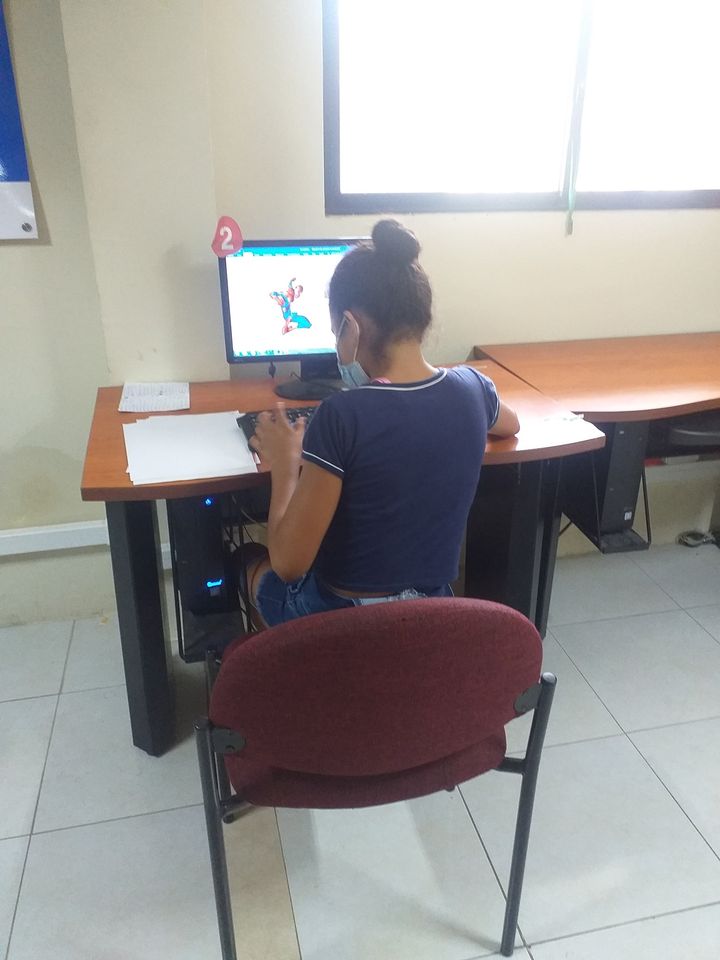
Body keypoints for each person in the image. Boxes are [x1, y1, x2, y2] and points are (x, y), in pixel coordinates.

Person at [245, 219, 519, 627]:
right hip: (430, 611)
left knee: (250, 561)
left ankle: (285, 659)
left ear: (350, 327)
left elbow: (288, 564)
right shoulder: (474, 388)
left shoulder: (340, 415)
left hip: (341, 623)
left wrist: (285, 465)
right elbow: (510, 424)